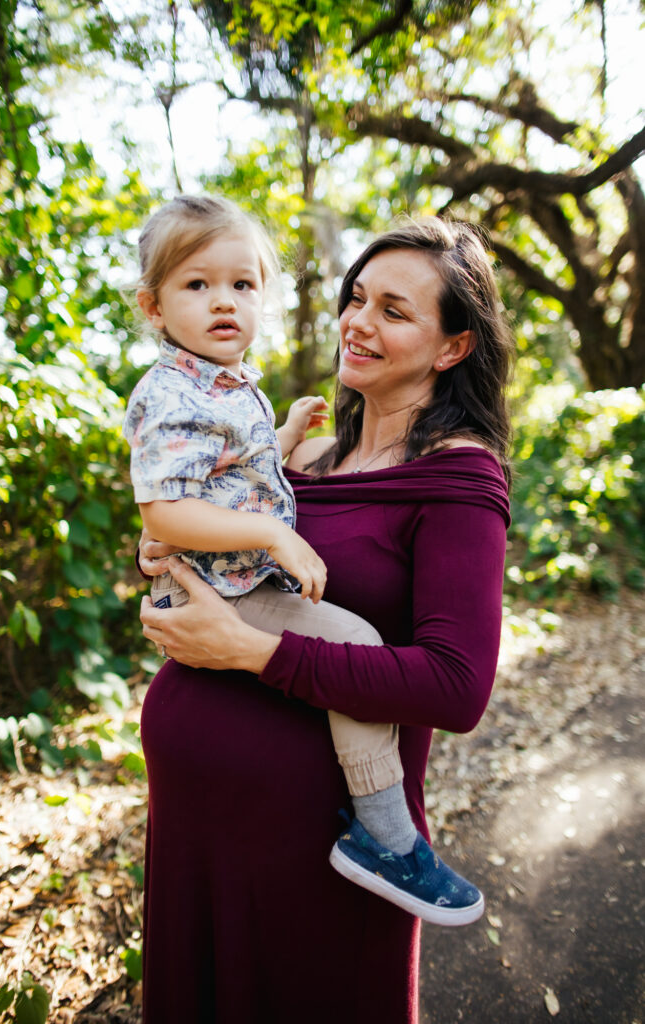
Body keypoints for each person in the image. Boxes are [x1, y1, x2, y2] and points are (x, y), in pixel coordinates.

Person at [137, 214, 513, 1024]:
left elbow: (455, 689)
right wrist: (161, 548)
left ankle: (392, 843)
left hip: (315, 851)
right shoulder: (299, 459)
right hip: (198, 827)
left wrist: (250, 653)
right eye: (355, 297)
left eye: (394, 310)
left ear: (451, 347)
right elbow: (209, 539)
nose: (357, 322)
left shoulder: (456, 481)